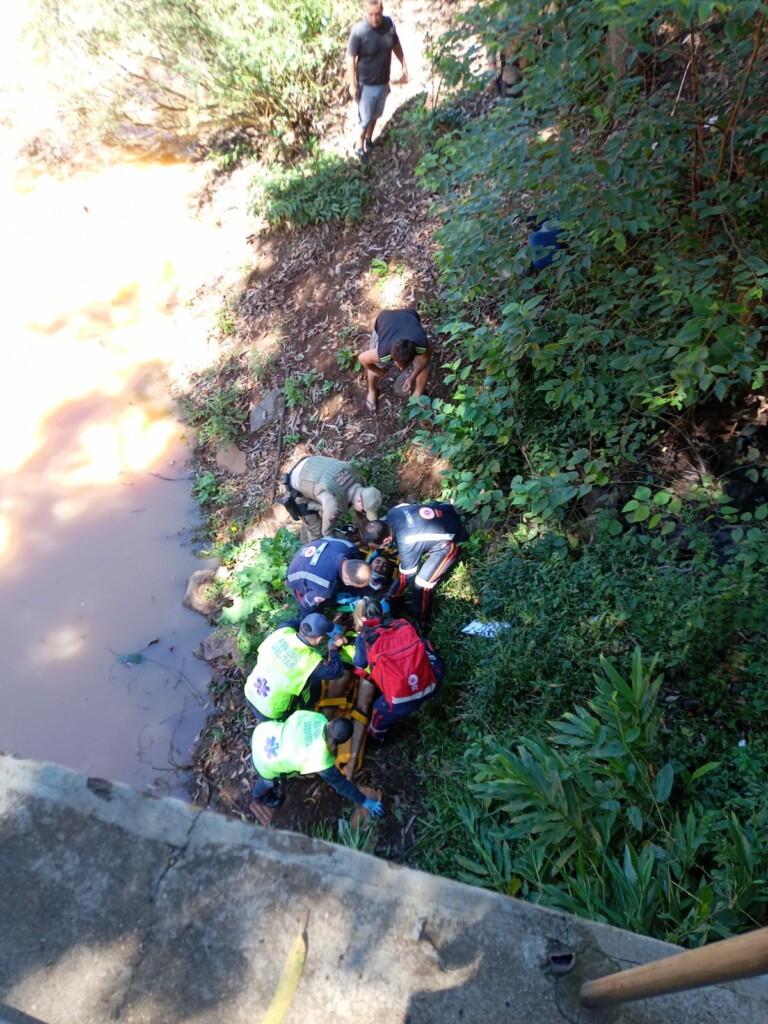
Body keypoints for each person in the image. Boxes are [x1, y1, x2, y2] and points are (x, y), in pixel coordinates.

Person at [344, 598, 444, 778]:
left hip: (400, 701)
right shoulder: (401, 624)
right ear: (381, 611)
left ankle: (377, 736)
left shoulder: (364, 638)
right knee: (427, 646)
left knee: (378, 712)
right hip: (431, 684)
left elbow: (360, 663)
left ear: (360, 617)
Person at [250, 710, 384, 816]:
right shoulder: (322, 759)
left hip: (262, 734)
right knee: (267, 781)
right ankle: (260, 797)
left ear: (331, 722)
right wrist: (365, 801)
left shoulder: (318, 718)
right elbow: (342, 786)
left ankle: (250, 745)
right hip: (265, 761)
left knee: (256, 744)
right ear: (341, 743)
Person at [363, 501, 469, 620]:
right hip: (446, 509)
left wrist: (389, 596)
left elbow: (405, 578)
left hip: (453, 537)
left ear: (387, 541)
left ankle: (421, 621)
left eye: (378, 547)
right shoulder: (393, 511)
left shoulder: (407, 542)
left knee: (422, 584)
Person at [244, 613, 352, 722]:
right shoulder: (309, 661)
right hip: (270, 712)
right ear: (319, 639)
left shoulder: (283, 631)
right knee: (316, 681)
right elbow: (336, 671)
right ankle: (305, 705)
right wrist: (332, 647)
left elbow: (295, 622)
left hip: (250, 691)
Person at [346, 0, 408, 163]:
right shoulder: (359, 32)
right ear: (366, 12)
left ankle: (368, 140)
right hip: (365, 84)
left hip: (382, 81)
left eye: (377, 14)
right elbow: (350, 58)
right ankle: (359, 147)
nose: (375, 19)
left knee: (376, 114)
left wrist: (403, 63)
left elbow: (395, 44)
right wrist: (352, 84)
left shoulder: (388, 24)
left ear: (382, 11)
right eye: (371, 15)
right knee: (365, 119)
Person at [283, 455, 383, 542]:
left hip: (312, 464)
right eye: (364, 510)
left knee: (324, 511)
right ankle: (309, 555)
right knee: (316, 532)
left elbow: (361, 514)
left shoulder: (359, 479)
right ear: (359, 501)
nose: (363, 512)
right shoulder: (333, 503)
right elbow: (327, 534)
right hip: (297, 483)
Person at [357, 308, 431, 413]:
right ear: (392, 358)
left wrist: (411, 377)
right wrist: (379, 372)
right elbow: (362, 358)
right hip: (385, 319)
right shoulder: (382, 352)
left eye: (405, 366)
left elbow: (424, 361)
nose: (401, 369)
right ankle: (372, 391)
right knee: (376, 366)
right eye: (399, 365)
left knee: (425, 367)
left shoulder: (421, 345)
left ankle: (418, 393)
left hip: (409, 315)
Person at [286, 536, 372, 617]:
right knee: (312, 616)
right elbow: (306, 603)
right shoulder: (324, 587)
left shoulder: (349, 547)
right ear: (347, 579)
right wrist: (334, 599)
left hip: (306, 553)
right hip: (294, 574)